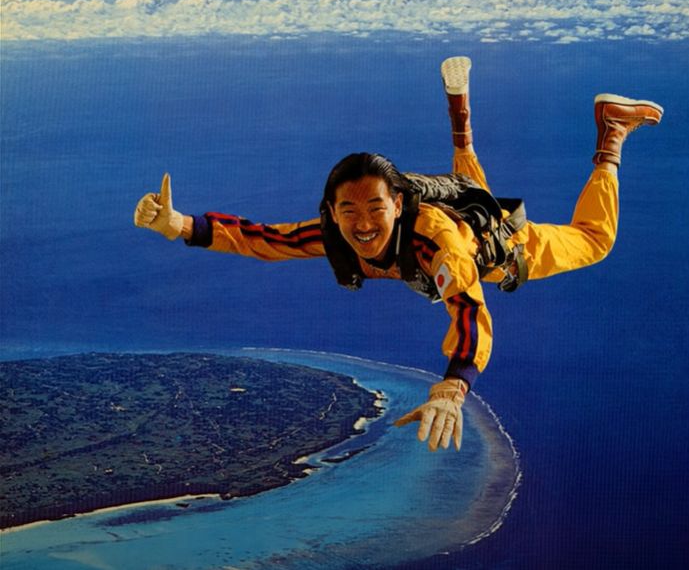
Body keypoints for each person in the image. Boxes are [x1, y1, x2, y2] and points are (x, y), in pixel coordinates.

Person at [134, 57, 663, 453]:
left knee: (595, 240)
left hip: (501, 248)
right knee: (469, 185)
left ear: (399, 205)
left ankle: (611, 134)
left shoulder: (436, 245)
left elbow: (469, 306)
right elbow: (264, 239)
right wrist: (178, 224)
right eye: (348, 210)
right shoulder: (336, 233)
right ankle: (459, 111)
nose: (363, 225)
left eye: (375, 209)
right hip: (458, 216)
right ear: (331, 210)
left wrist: (454, 385)